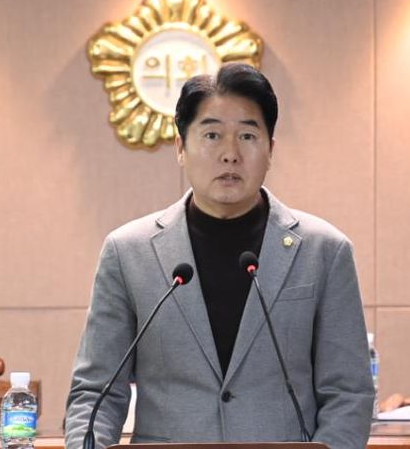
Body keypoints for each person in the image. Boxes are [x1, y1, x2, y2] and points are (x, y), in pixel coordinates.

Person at [64, 63, 374, 449]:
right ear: (181, 147)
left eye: (248, 135)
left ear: (271, 149)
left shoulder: (324, 252)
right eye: (212, 135)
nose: (230, 154)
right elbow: (95, 393)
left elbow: (348, 395)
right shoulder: (128, 253)